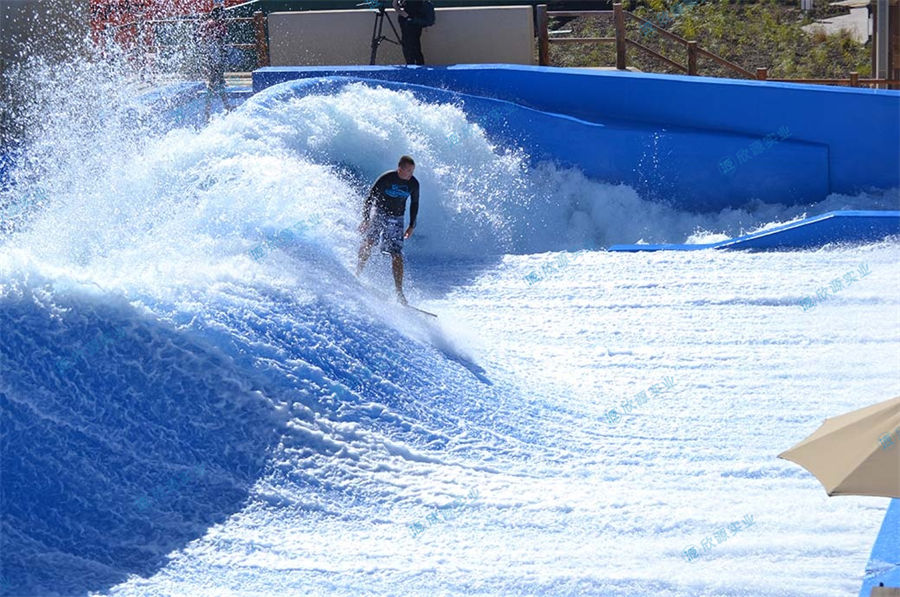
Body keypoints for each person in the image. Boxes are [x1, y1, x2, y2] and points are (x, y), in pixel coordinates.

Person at [356, 155, 420, 305]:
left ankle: (399, 292)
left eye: (412, 171)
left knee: (396, 254)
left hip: (397, 219)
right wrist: (366, 219)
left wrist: (411, 226)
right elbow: (370, 198)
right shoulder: (386, 178)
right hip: (379, 213)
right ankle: (357, 274)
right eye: (409, 171)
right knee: (369, 241)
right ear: (400, 169)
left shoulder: (414, 183)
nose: (411, 174)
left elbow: (415, 204)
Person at [198, 0, 231, 119]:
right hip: (216, 57)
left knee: (214, 82)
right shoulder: (219, 26)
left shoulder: (204, 25)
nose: (225, 17)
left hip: (208, 56)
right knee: (217, 82)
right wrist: (222, 58)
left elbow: (201, 42)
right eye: (223, 15)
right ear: (220, 15)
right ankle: (210, 109)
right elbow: (221, 44)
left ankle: (219, 106)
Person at [392, 0, 427, 65]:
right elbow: (395, 5)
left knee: (416, 45)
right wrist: (406, 15)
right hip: (407, 20)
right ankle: (411, 65)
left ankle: (419, 66)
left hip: (417, 19)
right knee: (408, 45)